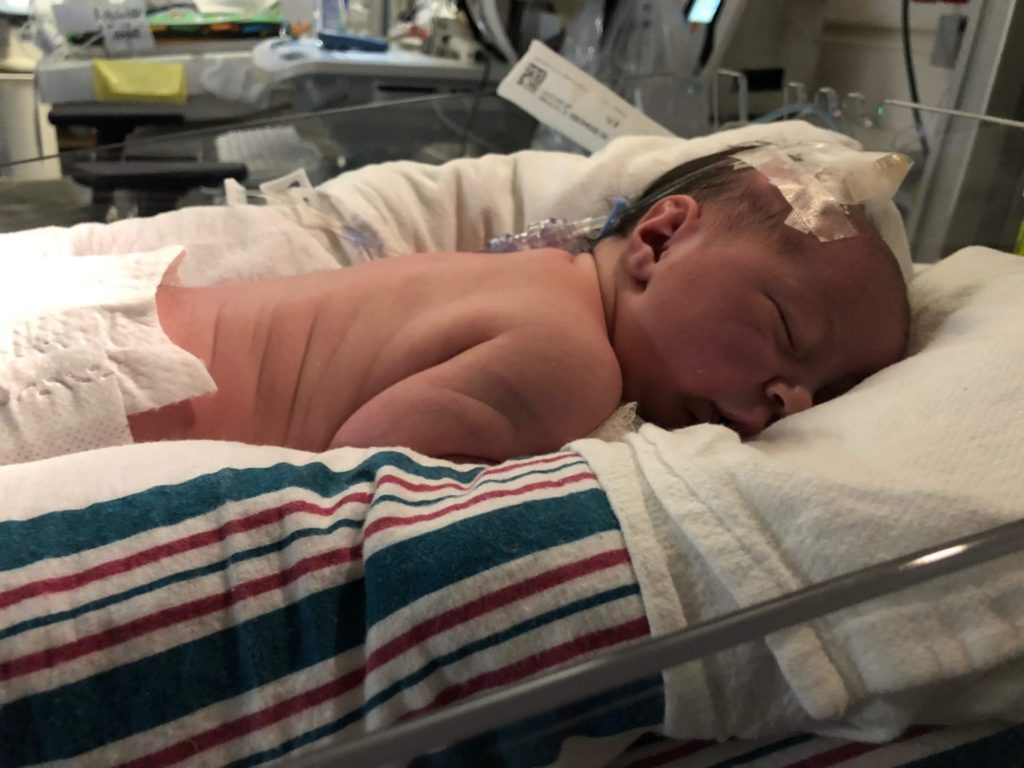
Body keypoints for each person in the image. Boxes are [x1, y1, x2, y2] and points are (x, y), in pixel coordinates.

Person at [127, 145, 911, 462]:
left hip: (141, 328)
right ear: (663, 239)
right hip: (136, 397)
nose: (794, 399)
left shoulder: (536, 275)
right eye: (784, 329)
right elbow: (368, 479)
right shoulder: (569, 364)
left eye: (830, 391)